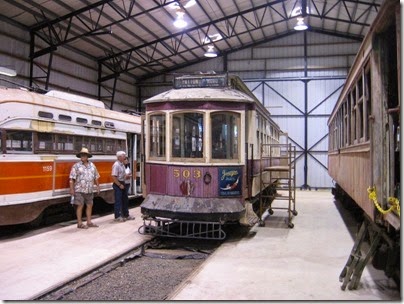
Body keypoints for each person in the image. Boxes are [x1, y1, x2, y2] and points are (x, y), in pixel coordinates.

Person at [69, 147, 100, 229]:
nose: (83, 156)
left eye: (84, 155)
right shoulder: (76, 166)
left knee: (90, 205)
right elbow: (72, 178)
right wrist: (71, 189)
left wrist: (97, 187)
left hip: (89, 189)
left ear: (87, 156)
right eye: (81, 155)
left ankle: (89, 222)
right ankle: (79, 223)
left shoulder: (92, 165)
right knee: (80, 206)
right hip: (79, 189)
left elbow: (96, 176)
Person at [111, 151, 135, 222]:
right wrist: (119, 184)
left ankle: (126, 214)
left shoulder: (122, 164)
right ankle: (117, 216)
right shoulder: (116, 165)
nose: (125, 157)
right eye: (123, 156)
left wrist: (126, 176)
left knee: (125, 200)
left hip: (123, 182)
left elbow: (123, 174)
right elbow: (114, 176)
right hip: (118, 184)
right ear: (119, 157)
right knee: (118, 200)